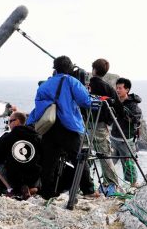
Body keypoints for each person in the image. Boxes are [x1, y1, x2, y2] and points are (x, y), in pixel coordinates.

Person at [26, 55, 98, 199]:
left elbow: (39, 106)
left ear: (55, 68)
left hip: (49, 126)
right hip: (68, 126)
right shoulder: (71, 81)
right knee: (79, 158)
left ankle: (47, 193)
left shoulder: (45, 84)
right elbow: (85, 101)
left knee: (49, 162)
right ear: (70, 67)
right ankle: (88, 190)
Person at [0, 111, 41, 200]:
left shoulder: (8, 137)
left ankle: (11, 190)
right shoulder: (37, 137)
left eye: (10, 121)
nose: (8, 124)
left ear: (17, 121)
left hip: (15, 177)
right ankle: (32, 188)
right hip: (33, 175)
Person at [88, 59, 120, 191]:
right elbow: (118, 107)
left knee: (85, 154)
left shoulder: (85, 84)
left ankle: (85, 183)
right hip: (100, 124)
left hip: (84, 123)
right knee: (104, 153)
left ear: (94, 69)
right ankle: (110, 185)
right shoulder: (107, 88)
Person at [111, 77, 142, 188]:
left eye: (120, 88)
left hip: (126, 139)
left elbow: (135, 120)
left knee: (128, 163)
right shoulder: (115, 101)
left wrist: (121, 110)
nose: (117, 90)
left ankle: (133, 184)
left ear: (127, 90)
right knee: (108, 162)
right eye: (117, 88)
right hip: (114, 138)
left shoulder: (133, 105)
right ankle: (109, 182)